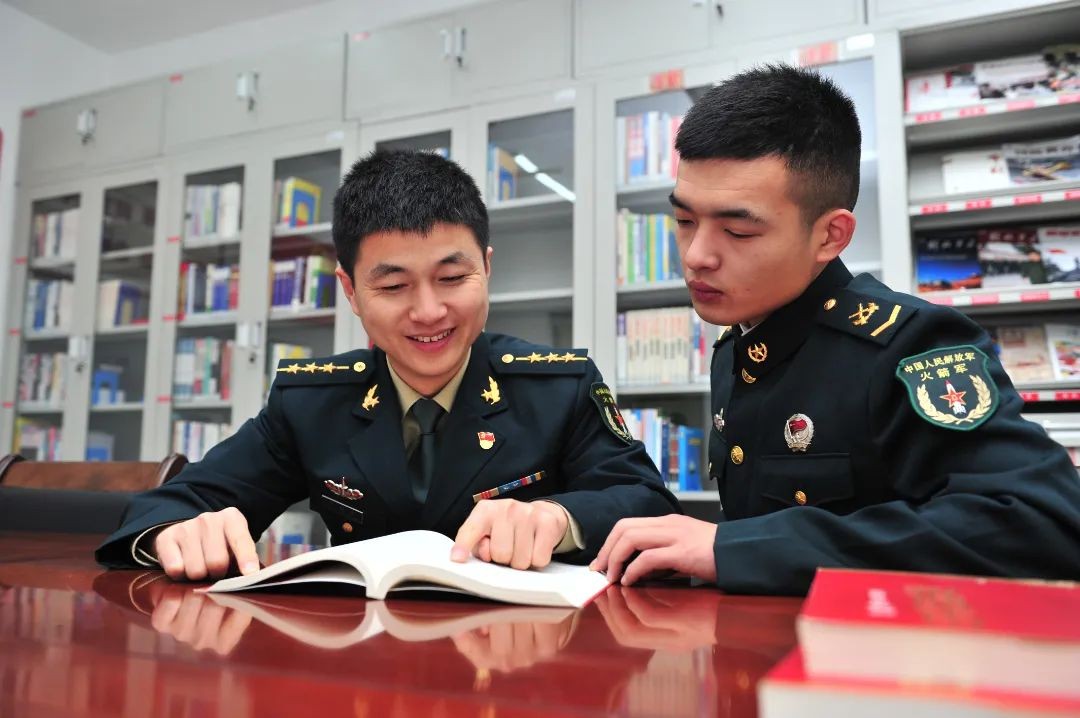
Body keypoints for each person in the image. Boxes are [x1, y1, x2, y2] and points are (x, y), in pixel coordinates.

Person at [592, 64, 1080, 595]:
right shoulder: (737, 348)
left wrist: (734, 548)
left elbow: (1040, 522)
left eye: (737, 231)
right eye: (685, 221)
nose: (696, 256)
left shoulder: (909, 345)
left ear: (830, 236)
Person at [96, 149, 678, 580]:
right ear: (350, 291)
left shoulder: (557, 386)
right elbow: (167, 505)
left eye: (453, 277)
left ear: (487, 269)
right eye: (394, 285)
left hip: (517, 659)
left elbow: (647, 502)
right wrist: (178, 533)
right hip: (364, 662)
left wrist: (558, 517)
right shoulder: (312, 403)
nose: (428, 311)